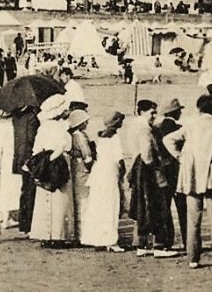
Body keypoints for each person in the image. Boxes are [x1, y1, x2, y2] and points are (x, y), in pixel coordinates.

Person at [163, 94, 212, 270]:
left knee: (193, 220)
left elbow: (167, 139)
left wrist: (179, 156)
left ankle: (193, 259)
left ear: (198, 108)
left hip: (192, 176)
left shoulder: (190, 125)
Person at [127, 100, 176, 258]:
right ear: (141, 112)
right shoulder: (145, 130)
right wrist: (158, 167)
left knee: (141, 206)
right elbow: (147, 155)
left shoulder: (133, 126)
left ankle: (141, 244)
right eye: (151, 113)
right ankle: (159, 245)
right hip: (149, 172)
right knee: (158, 207)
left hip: (137, 169)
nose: (154, 116)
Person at [29, 95, 75, 246]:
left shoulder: (43, 127)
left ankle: (45, 235)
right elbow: (62, 146)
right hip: (58, 162)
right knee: (61, 198)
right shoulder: (59, 128)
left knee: (45, 197)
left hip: (45, 162)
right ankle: (59, 235)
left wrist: (44, 163)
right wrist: (53, 159)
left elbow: (36, 149)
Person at [81, 112, 127, 251]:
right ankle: (111, 241)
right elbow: (119, 158)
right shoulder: (115, 137)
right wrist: (123, 173)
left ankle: (97, 239)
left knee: (98, 205)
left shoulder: (100, 136)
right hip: (109, 172)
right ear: (116, 122)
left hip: (98, 172)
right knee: (110, 204)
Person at [154, 98, 186, 248]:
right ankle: (188, 241)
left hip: (163, 170)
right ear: (175, 112)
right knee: (182, 208)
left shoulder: (157, 128)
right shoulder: (176, 127)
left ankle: (166, 241)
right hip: (176, 171)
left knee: (164, 207)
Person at [12, 104, 40, 237]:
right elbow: (31, 139)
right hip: (30, 157)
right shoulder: (32, 117)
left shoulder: (16, 116)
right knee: (31, 191)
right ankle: (31, 224)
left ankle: (24, 225)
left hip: (20, 157)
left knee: (25, 190)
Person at [67, 109, 94, 240]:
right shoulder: (81, 137)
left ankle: (77, 233)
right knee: (84, 201)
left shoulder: (71, 136)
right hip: (83, 170)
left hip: (75, 169)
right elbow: (87, 155)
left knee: (78, 202)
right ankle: (84, 234)